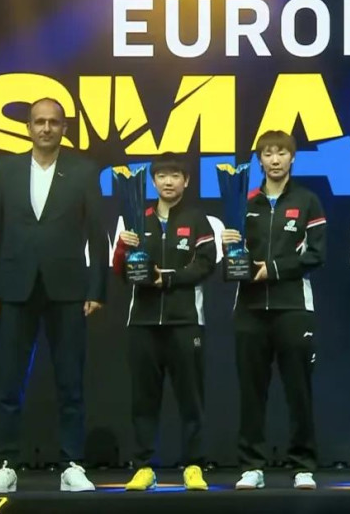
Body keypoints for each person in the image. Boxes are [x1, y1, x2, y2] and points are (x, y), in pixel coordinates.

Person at [0, 97, 108, 493]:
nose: (46, 128)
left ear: (64, 128)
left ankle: (72, 464)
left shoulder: (84, 171)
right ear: (29, 127)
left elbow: (97, 234)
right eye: (39, 122)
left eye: (54, 122)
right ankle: (6, 464)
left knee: (71, 382)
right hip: (14, 287)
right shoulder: (5, 169)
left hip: (68, 288)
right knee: (9, 382)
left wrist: (97, 288)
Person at [221, 130, 326, 490]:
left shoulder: (307, 201)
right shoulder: (244, 202)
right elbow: (233, 259)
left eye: (282, 153)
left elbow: (316, 254)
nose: (275, 159)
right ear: (260, 160)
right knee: (252, 392)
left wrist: (273, 270)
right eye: (268, 153)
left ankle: (303, 465)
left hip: (293, 306)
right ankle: (252, 465)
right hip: (249, 308)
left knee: (299, 390)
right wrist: (230, 247)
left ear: (292, 158)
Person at [112, 152, 216, 492]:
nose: (168, 182)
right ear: (153, 182)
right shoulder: (137, 219)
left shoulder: (197, 220)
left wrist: (167, 279)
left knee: (191, 398)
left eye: (175, 176)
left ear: (186, 181)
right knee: (143, 400)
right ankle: (144, 467)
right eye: (161, 176)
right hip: (142, 323)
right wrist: (123, 249)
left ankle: (194, 466)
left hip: (185, 321)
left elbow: (206, 264)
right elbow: (120, 270)